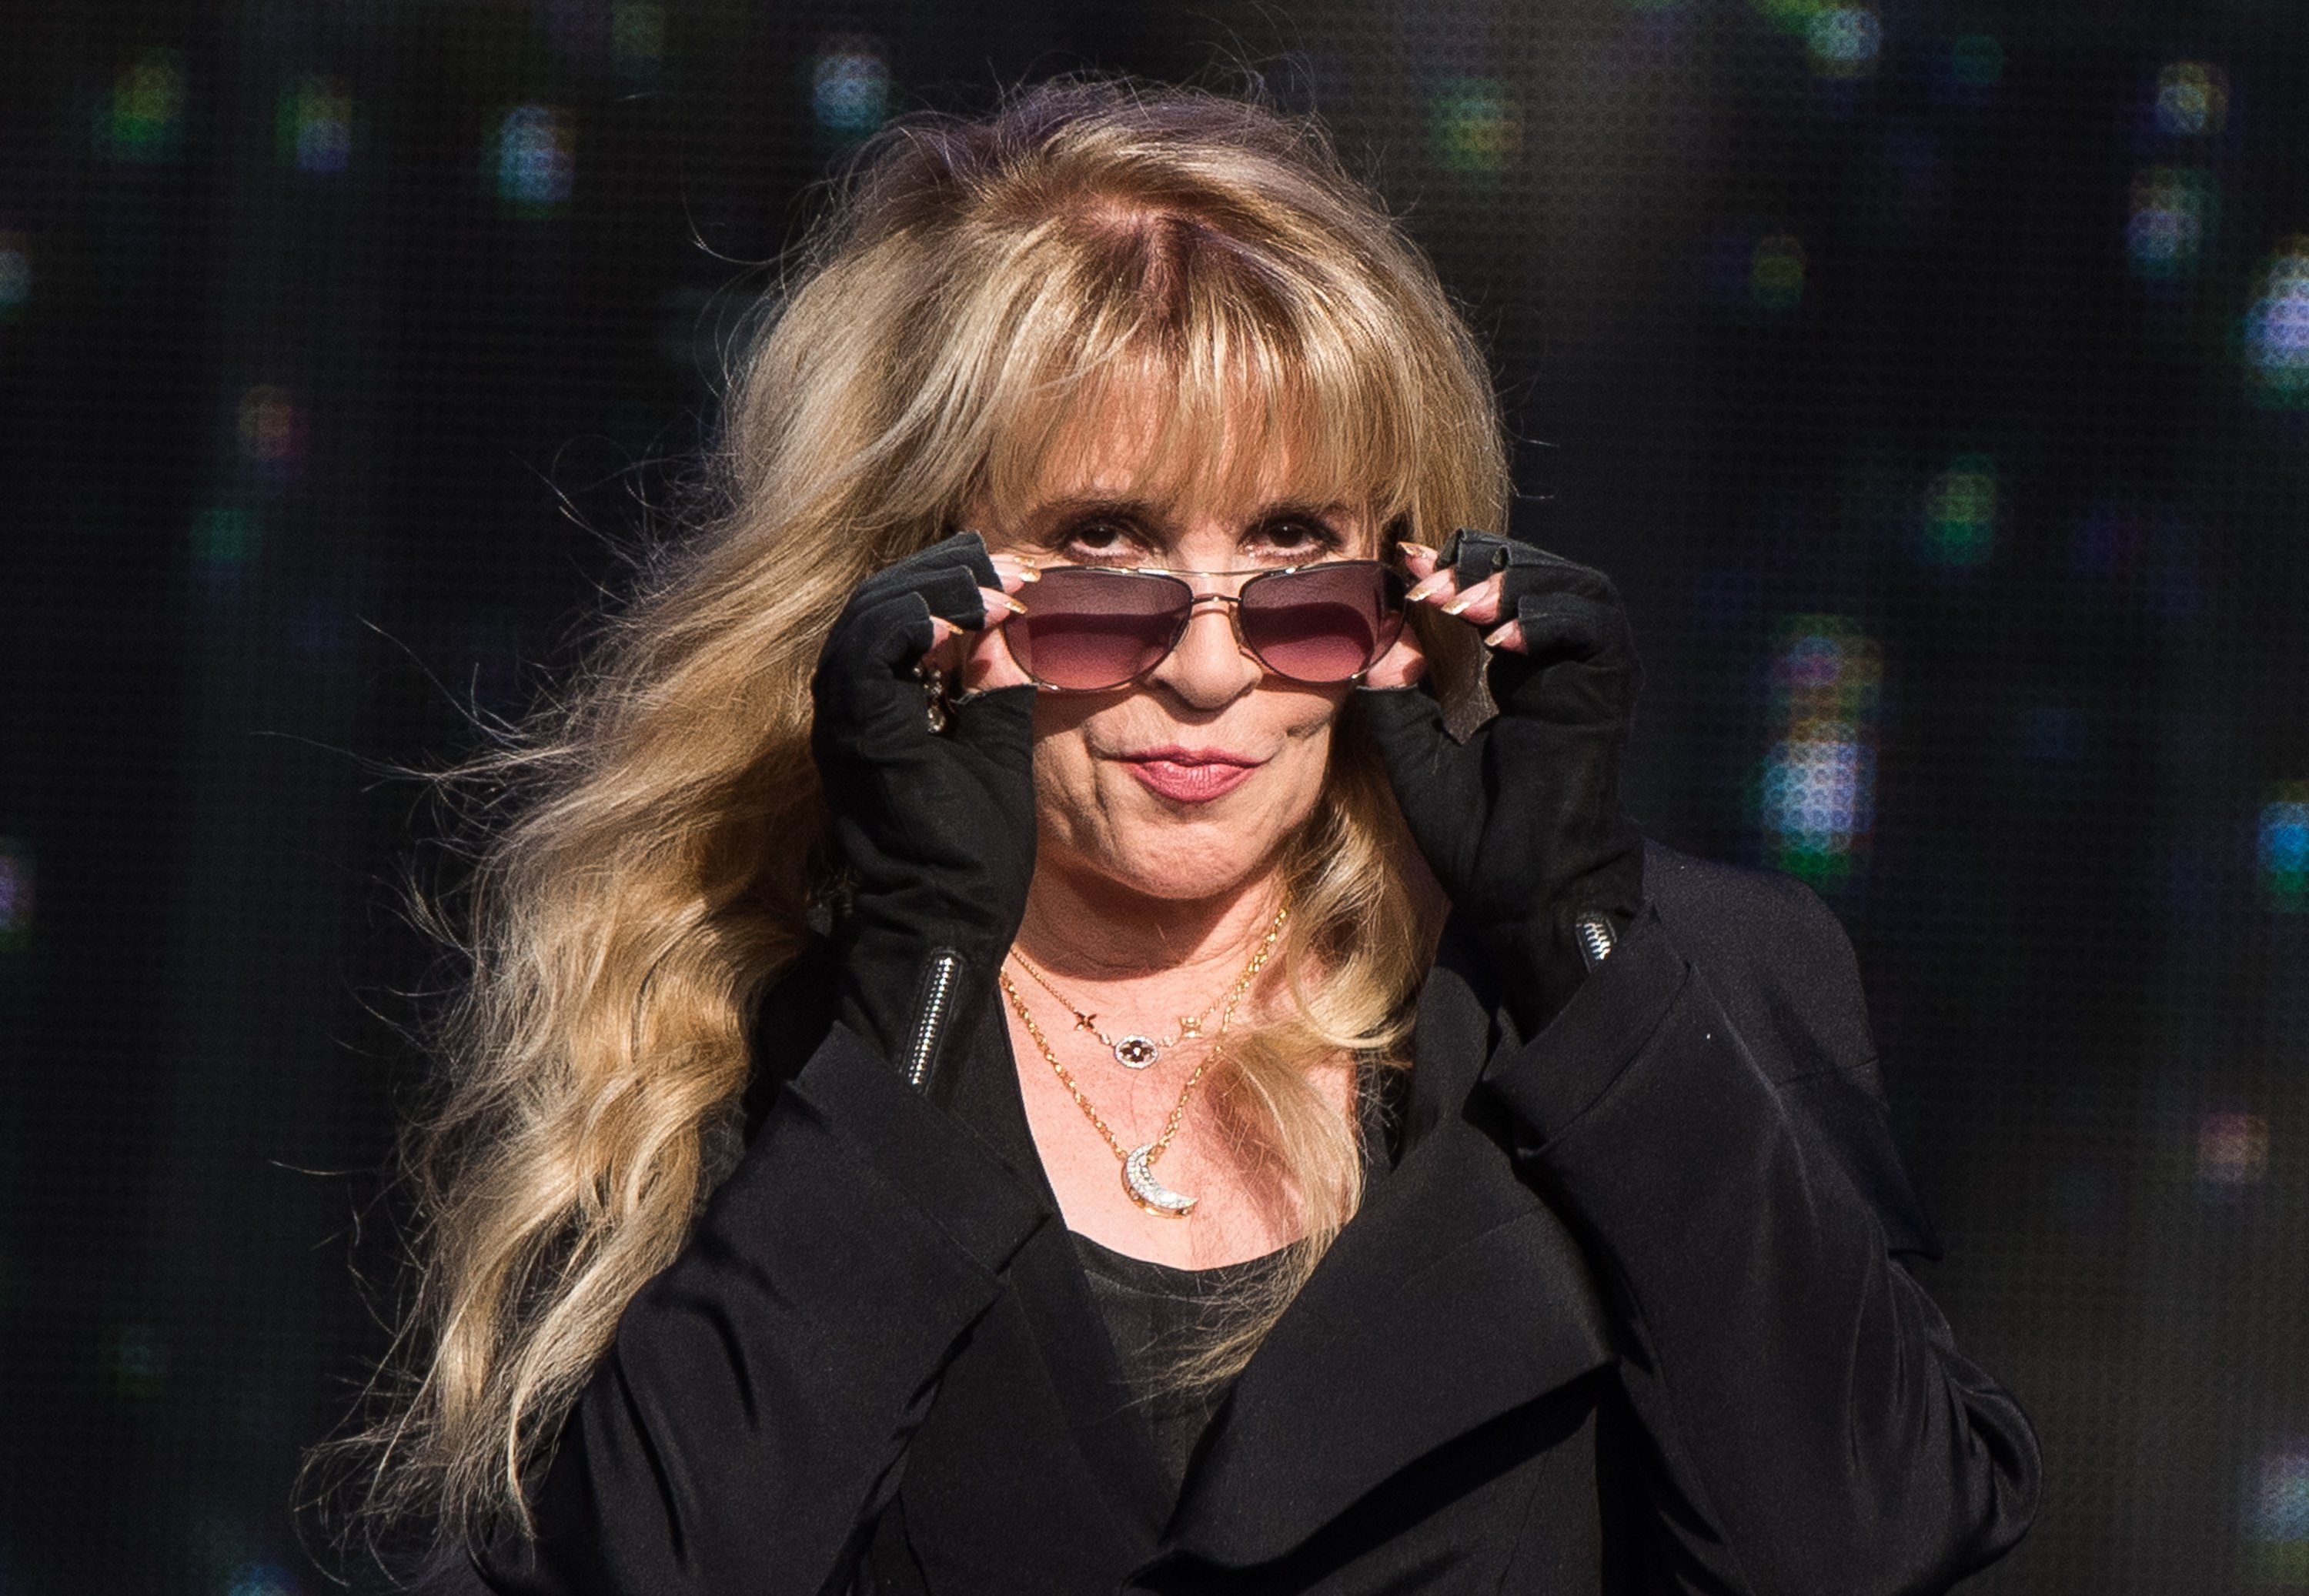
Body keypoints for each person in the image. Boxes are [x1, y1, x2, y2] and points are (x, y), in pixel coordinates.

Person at [335, 79, 2039, 1594]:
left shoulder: (1686, 986)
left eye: (1296, 555)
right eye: (1103, 555)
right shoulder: (714, 1025)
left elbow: (1874, 1537)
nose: (1213, 662)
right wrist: (918, 981)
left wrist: (1583, 965)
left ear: (1402, 586)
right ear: (917, 593)